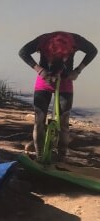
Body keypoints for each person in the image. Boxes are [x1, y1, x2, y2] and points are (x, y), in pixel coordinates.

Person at [19, 31, 97, 161]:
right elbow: (23, 52)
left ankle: (62, 157)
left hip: (65, 82)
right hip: (44, 81)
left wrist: (77, 71)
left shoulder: (75, 40)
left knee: (64, 122)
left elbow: (93, 51)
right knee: (39, 120)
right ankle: (39, 156)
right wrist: (40, 70)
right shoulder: (43, 40)